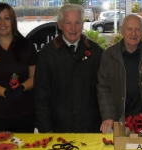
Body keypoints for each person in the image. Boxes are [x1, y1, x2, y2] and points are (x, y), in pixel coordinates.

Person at [34, 4, 103, 133]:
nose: (73, 28)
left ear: (82, 24)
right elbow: (40, 95)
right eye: (68, 23)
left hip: (91, 127)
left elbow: (104, 90)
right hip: (58, 128)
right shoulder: (47, 54)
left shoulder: (96, 52)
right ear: (59, 25)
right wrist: (45, 128)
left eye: (77, 23)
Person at [97, 14, 142, 134]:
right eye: (129, 29)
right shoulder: (109, 55)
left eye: (137, 29)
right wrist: (107, 116)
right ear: (122, 31)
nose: (133, 33)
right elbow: (103, 88)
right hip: (119, 121)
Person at [0, 2, 37, 133]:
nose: (2, 23)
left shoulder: (27, 46)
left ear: (13, 21)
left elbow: (35, 76)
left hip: (25, 111)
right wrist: (5, 92)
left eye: (7, 18)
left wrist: (21, 87)